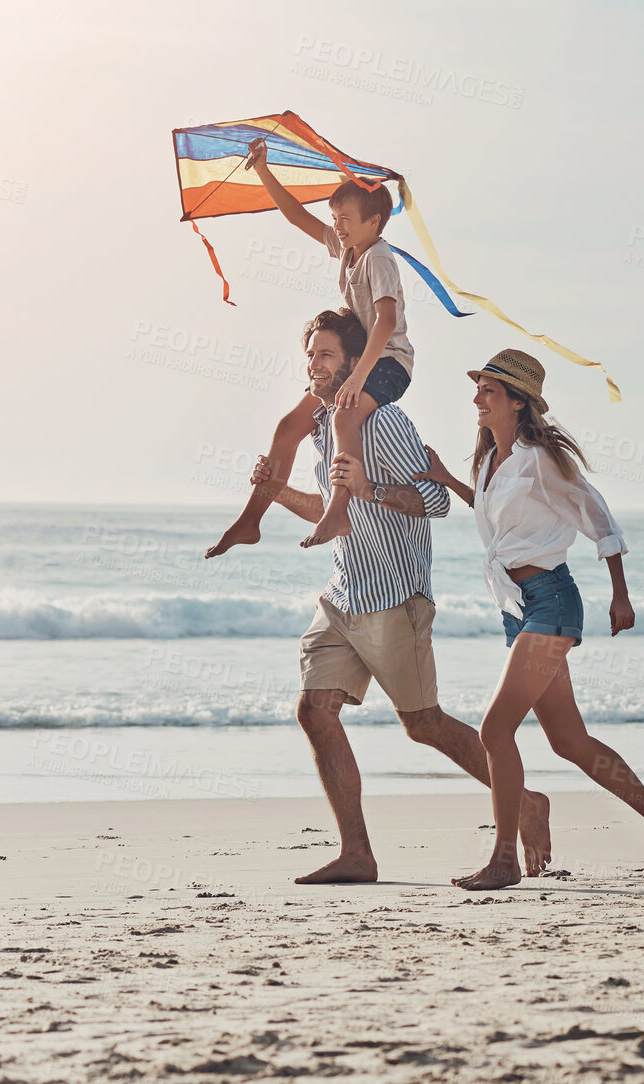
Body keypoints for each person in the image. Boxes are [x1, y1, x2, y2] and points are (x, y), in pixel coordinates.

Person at [242, 311, 552, 883]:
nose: (315, 364)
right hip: (343, 592)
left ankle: (527, 803)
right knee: (315, 711)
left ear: (357, 364)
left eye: (327, 355)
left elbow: (434, 502)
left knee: (423, 724)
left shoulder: (383, 422)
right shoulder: (320, 427)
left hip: (395, 596)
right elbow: (332, 508)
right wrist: (275, 490)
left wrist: (372, 488)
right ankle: (357, 853)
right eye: (310, 354)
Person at [415, 348, 644, 890]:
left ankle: (504, 860)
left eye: (489, 391)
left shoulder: (542, 459)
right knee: (569, 741)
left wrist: (620, 595)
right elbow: (497, 523)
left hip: (551, 601)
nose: (477, 398)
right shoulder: (491, 461)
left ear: (518, 402)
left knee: (495, 729)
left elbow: (597, 515)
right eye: (480, 389)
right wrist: (446, 477)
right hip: (519, 607)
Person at [205, 138, 415, 555]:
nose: (336, 225)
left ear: (374, 222)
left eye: (346, 218)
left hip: (389, 363)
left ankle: (338, 509)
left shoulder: (379, 257)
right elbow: (297, 216)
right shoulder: (349, 248)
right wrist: (264, 170)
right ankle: (250, 520)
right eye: (334, 217)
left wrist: (356, 377)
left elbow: (387, 322)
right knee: (288, 428)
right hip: (358, 361)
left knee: (342, 418)